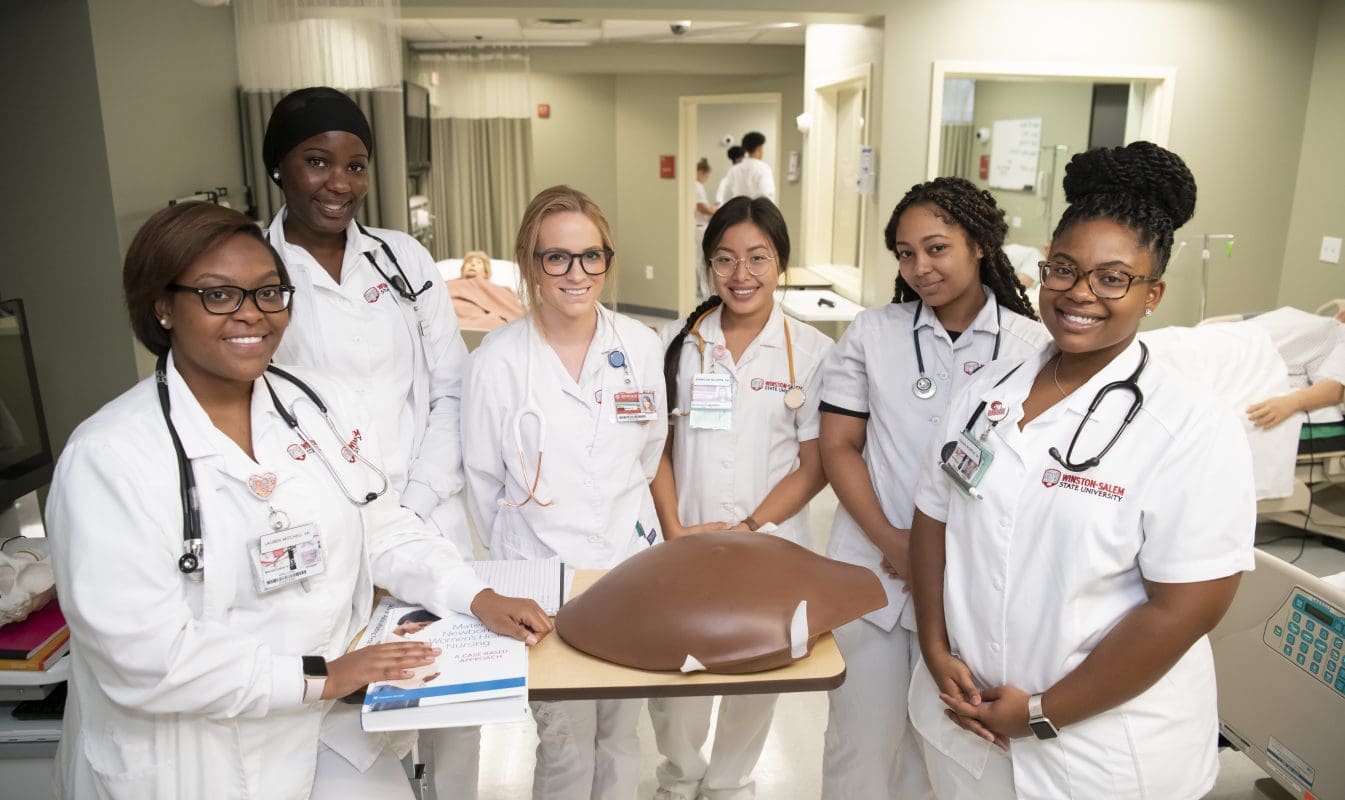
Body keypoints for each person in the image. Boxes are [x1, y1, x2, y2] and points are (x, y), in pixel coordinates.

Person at [45, 202, 551, 800]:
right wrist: (322, 677)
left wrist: (474, 594)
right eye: (218, 296)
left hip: (324, 729)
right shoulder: (110, 457)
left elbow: (382, 527)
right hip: (196, 756)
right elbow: (144, 656)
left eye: (268, 292)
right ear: (162, 307)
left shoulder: (316, 405)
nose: (252, 315)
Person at [909, 141, 1256, 798]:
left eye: (1112, 278)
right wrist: (933, 646)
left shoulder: (1189, 428)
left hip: (1104, 756)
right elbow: (933, 516)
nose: (1078, 294)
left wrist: (1042, 714)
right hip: (968, 723)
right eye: (1062, 269)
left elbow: (1182, 611)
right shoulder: (985, 392)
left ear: (1151, 293)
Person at [258, 86, 485, 799]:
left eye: (356, 166)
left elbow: (450, 389)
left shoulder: (403, 260)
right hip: (319, 533)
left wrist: (412, 509)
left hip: (426, 512)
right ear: (278, 169)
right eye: (317, 161)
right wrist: (369, 530)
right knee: (348, 718)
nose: (339, 183)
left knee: (453, 709)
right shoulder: (251, 274)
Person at [817, 177, 1047, 800]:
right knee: (859, 745)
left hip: (974, 586)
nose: (919, 266)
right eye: (904, 252)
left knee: (945, 751)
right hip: (875, 570)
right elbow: (839, 447)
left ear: (979, 245)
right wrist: (898, 547)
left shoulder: (1032, 348)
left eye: (937, 248)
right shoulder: (874, 332)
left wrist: (939, 567)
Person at [461, 185, 667, 800]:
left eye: (591, 256)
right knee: (567, 744)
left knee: (622, 737)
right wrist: (523, 554)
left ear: (607, 259)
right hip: (540, 581)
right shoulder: (496, 361)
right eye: (557, 258)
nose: (576, 274)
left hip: (629, 570)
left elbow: (650, 451)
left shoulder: (641, 345)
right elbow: (481, 484)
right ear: (531, 263)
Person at [648, 196, 833, 800]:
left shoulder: (811, 353)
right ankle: (679, 779)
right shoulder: (681, 344)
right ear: (708, 265)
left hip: (772, 545)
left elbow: (815, 463)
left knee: (757, 679)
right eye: (724, 259)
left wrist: (753, 526)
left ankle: (729, 786)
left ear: (781, 262)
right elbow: (659, 447)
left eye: (758, 257)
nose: (741, 274)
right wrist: (674, 529)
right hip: (688, 541)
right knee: (675, 683)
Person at [1243, 305, 1345, 439]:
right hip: (1240, 345)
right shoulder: (1332, 331)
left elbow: (1334, 387)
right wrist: (1291, 402)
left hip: (1233, 340)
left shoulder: (1334, 337)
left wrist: (1289, 402)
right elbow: (1334, 388)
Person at [448, 249, 525, 332]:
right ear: (463, 269)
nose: (473, 264)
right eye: (469, 262)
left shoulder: (498, 289)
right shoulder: (447, 284)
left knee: (496, 323)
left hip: (482, 323)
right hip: (452, 319)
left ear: (485, 272)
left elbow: (511, 306)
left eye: (478, 263)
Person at [716, 132, 776, 204]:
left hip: (737, 212)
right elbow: (766, 195)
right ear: (759, 149)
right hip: (757, 213)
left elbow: (726, 197)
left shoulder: (734, 170)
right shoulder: (764, 168)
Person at [692, 158, 718, 303]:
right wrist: (715, 209)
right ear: (702, 172)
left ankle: (700, 291)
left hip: (700, 227)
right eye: (706, 176)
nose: (706, 179)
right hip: (700, 228)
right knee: (700, 260)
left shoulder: (696, 185)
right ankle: (701, 291)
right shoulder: (697, 185)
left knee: (699, 259)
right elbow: (703, 208)